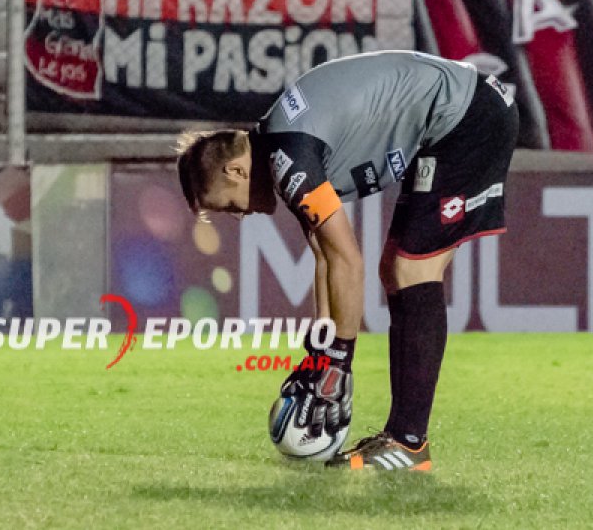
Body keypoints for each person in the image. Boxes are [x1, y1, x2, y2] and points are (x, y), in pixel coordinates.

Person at [176, 50, 519, 471]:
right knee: (400, 268)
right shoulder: (277, 145)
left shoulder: (289, 158)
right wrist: (322, 350)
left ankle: (409, 442)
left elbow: (347, 260)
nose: (241, 215)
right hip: (456, 116)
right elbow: (324, 257)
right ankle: (405, 438)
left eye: (229, 206)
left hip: (468, 119)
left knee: (411, 269)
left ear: (235, 171)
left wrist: (338, 359)